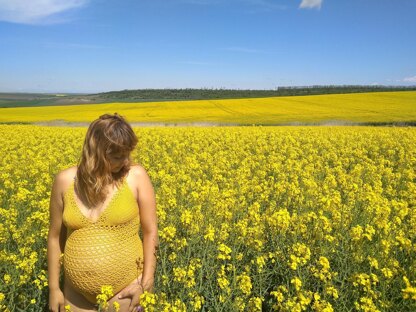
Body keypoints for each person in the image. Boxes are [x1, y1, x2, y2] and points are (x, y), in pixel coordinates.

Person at [47, 113, 159, 312]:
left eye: (128, 154)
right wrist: (54, 288)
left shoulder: (136, 176)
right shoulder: (64, 182)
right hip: (75, 298)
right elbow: (55, 237)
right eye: (117, 156)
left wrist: (145, 284)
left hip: (126, 295)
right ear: (96, 152)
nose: (126, 161)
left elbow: (151, 232)